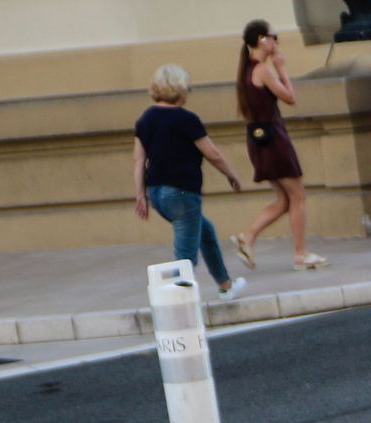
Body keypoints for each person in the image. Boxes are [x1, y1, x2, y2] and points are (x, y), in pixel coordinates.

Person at [133, 65, 247, 298]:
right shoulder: (185, 118)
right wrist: (231, 175)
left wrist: (140, 196)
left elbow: (138, 160)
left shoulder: (145, 119)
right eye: (188, 88)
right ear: (179, 90)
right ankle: (177, 303)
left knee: (205, 232)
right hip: (182, 193)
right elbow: (212, 153)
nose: (188, 93)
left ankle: (226, 286)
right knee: (186, 257)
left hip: (156, 193)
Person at [232, 21, 325, 271]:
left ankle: (248, 236)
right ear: (262, 39)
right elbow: (290, 97)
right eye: (274, 37)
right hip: (273, 140)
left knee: (285, 199)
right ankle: (300, 254)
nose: (277, 43)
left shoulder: (245, 69)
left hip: (258, 139)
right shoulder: (262, 69)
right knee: (298, 196)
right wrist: (281, 68)